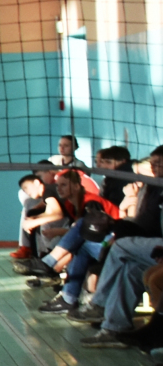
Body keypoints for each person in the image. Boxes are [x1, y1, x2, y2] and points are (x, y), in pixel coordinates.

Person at [76, 145, 163, 345]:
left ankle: (99, 303)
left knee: (121, 246)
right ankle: (114, 329)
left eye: (159, 163)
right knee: (131, 269)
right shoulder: (151, 186)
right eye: (153, 163)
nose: (154, 167)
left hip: (158, 244)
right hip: (154, 243)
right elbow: (143, 221)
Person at [39, 147, 132, 315]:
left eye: (63, 185)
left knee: (81, 235)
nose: (59, 189)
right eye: (58, 185)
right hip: (106, 240)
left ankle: (52, 270)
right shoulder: (71, 204)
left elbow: (95, 231)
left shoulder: (91, 203)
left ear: (76, 186)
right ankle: (66, 293)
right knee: (80, 246)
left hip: (113, 240)